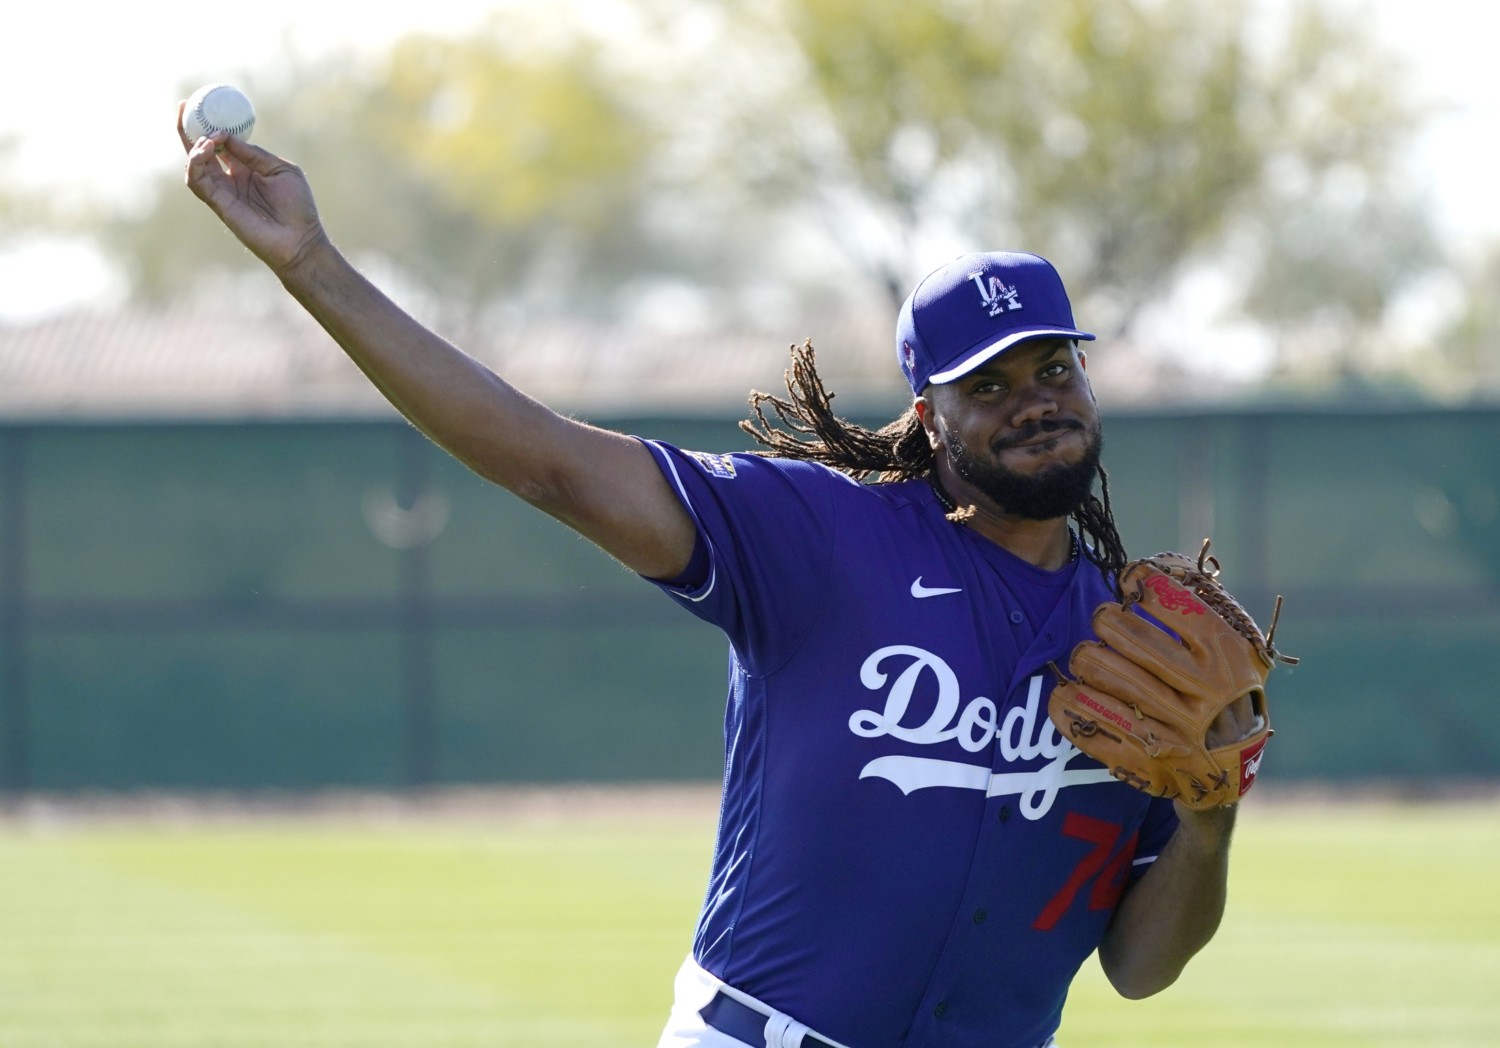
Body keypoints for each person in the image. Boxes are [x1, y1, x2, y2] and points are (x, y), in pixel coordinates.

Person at [180, 115, 1249, 1048]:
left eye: (1054, 367)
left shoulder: (1142, 647)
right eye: (991, 383)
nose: (1035, 400)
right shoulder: (817, 535)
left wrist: (1209, 825)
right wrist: (312, 263)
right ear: (929, 419)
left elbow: (1139, 967)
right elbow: (551, 463)